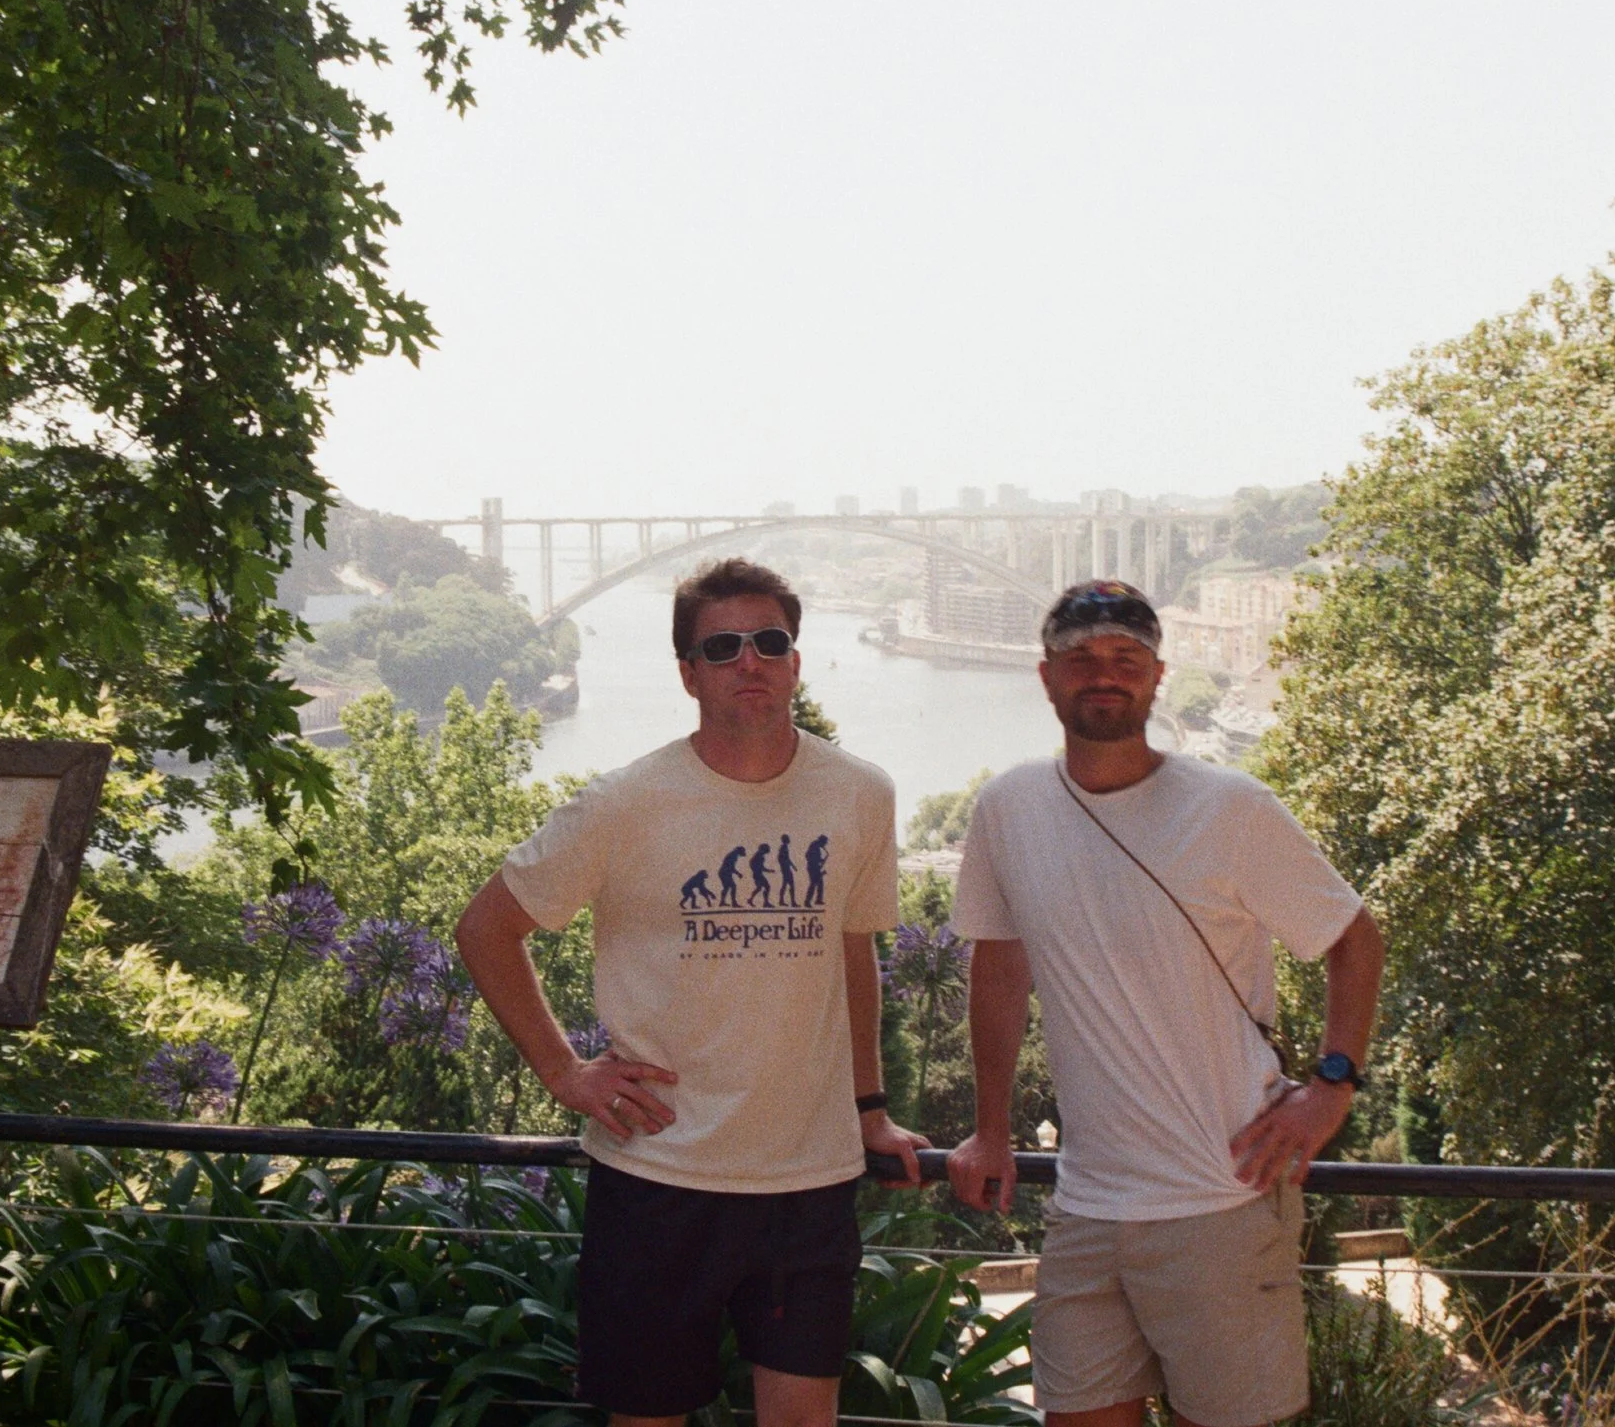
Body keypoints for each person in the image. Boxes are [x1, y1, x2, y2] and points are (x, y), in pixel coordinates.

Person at [455, 557, 930, 1427]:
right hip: (659, 1176)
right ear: (688, 673)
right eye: (722, 646)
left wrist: (869, 1107)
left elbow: (851, 953)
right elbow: (486, 928)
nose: (749, 660)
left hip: (807, 1180)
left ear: (795, 659)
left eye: (769, 640)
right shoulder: (623, 803)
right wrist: (566, 1073)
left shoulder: (861, 793)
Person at [944, 578, 1386, 1427]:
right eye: (1081, 658)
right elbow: (999, 971)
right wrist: (991, 1126)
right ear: (1046, 678)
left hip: (1220, 1199)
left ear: (1156, 676)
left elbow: (1354, 939)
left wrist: (1333, 1084)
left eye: (1125, 658)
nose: (1102, 673)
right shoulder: (1007, 809)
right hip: (1086, 1206)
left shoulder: (1231, 807)